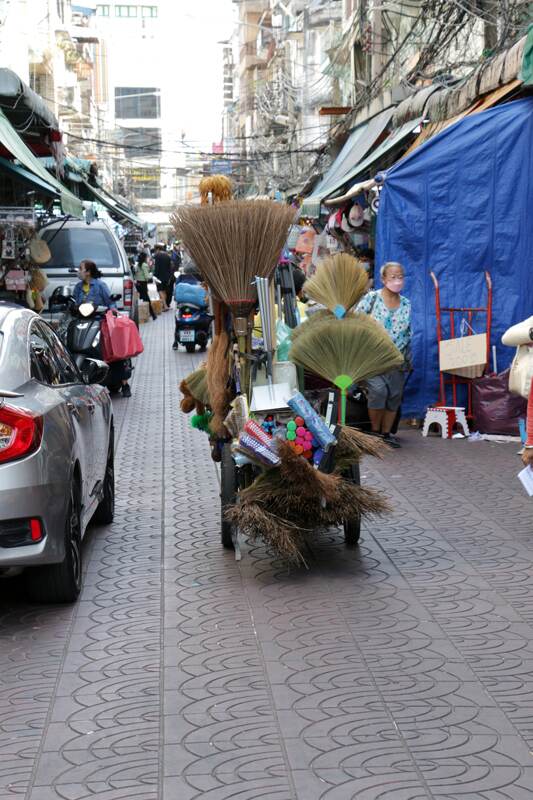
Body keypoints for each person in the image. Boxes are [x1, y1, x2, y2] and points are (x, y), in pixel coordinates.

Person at [356, 261, 412, 448]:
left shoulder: (406, 304)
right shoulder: (372, 299)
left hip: (397, 360)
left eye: (400, 276)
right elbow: (356, 320)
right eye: (393, 276)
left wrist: (409, 358)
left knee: (394, 396)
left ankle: (386, 434)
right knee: (379, 391)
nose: (397, 280)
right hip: (373, 358)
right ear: (383, 279)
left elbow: (410, 333)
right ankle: (375, 432)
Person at [73, 259, 132, 398]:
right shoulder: (78, 287)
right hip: (83, 323)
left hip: (100, 324)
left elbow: (110, 303)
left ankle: (125, 383)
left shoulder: (100, 286)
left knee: (113, 352)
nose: (79, 272)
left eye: (81, 269)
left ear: (88, 272)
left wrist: (113, 315)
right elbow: (75, 303)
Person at [135, 252, 157, 321]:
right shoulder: (144, 265)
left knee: (141, 299)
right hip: (143, 284)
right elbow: (147, 276)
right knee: (147, 299)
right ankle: (153, 315)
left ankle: (144, 314)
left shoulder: (138, 264)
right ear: (145, 258)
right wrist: (152, 276)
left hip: (138, 283)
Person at [152, 244, 172, 311]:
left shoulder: (157, 256)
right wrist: (169, 277)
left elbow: (156, 267)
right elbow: (170, 268)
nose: (155, 252)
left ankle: (165, 306)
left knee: (160, 291)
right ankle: (164, 305)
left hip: (159, 277)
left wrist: (155, 276)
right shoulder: (167, 256)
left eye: (155, 250)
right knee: (164, 291)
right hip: (167, 277)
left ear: (157, 249)